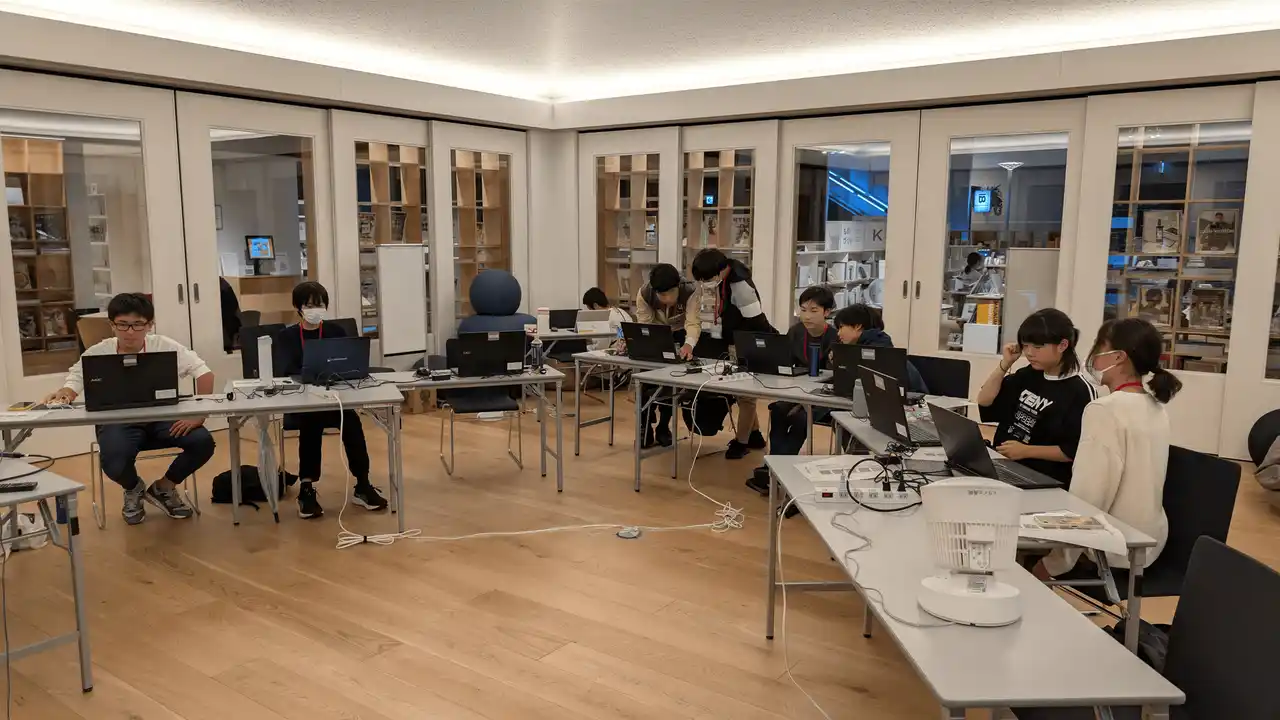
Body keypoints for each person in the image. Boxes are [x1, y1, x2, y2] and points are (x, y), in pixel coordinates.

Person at [43, 293, 214, 525]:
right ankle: (134, 488)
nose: (130, 332)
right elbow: (74, 380)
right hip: (119, 424)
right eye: (122, 325)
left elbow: (205, 375)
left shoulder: (165, 345)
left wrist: (198, 416)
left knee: (203, 442)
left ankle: (164, 487)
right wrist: (65, 393)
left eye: (138, 325)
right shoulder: (99, 351)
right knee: (114, 461)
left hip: (163, 420)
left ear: (149, 325)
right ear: (112, 325)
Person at [1039, 318, 1181, 579]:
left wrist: (1055, 562)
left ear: (1118, 357)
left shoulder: (1104, 410)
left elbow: (1088, 497)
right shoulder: (1156, 408)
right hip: (1149, 542)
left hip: (1111, 547)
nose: (1093, 355)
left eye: (1099, 345)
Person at [272, 281, 388, 519]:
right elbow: (285, 371)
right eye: (309, 305)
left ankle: (362, 484)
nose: (316, 310)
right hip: (304, 401)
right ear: (298, 307)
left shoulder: (336, 332)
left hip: (335, 397)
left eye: (320, 304)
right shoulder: (287, 337)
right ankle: (306, 488)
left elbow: (348, 364)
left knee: (352, 423)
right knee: (310, 424)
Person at [977, 308, 1097, 486]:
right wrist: (1005, 363)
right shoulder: (1029, 374)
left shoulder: (1079, 391)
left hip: (1042, 479)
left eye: (1038, 347)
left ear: (1063, 345)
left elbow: (1073, 451)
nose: (1029, 353)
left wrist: (1026, 451)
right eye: (1025, 346)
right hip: (1005, 465)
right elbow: (985, 400)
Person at [745, 287, 838, 494]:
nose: (807, 316)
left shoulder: (835, 337)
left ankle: (775, 472)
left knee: (800, 418)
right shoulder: (796, 332)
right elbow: (784, 363)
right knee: (778, 410)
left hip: (824, 396)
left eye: (814, 310)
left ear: (827, 312)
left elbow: (837, 375)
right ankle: (776, 469)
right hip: (797, 390)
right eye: (803, 310)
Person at [690, 248, 773, 459]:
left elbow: (758, 322)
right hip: (731, 340)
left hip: (746, 342)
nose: (705, 283)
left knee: (746, 395)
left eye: (707, 279)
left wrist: (772, 344)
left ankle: (741, 442)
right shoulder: (724, 279)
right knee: (740, 392)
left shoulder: (740, 286)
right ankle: (754, 435)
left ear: (721, 270)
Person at [633, 264, 703, 447]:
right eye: (661, 295)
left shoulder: (691, 291)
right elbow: (645, 323)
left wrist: (688, 345)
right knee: (645, 381)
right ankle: (644, 426)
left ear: (678, 286)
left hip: (681, 333)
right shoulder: (645, 293)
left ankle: (664, 427)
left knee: (672, 383)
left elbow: (693, 322)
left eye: (670, 293)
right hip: (656, 333)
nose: (666, 299)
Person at [833, 303, 927, 394]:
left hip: (912, 400)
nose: (838, 333)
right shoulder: (870, 346)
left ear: (857, 326)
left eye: (841, 327)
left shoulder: (878, 351)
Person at [582, 286, 632, 351]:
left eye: (590, 309)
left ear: (595, 305)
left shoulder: (603, 318)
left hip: (615, 352)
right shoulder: (622, 312)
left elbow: (600, 347)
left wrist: (585, 347)